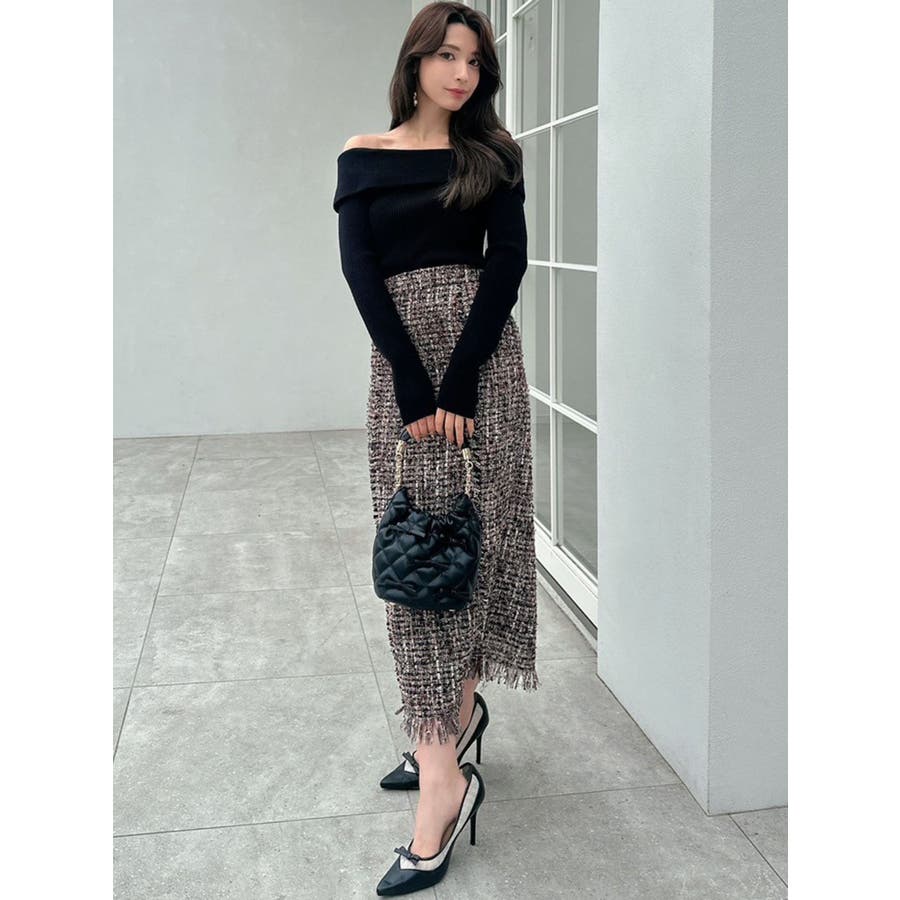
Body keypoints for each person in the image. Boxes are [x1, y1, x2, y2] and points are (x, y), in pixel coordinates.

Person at [332, 3, 539, 893]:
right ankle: (442, 760)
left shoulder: (493, 155)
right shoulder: (363, 157)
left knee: (479, 550)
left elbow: (507, 264)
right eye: (447, 56)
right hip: (405, 373)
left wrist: (460, 383)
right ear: (415, 62)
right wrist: (419, 388)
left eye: (475, 61)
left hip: (483, 368)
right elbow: (360, 273)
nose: (463, 73)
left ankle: (444, 752)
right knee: (418, 555)